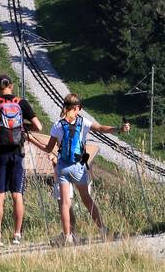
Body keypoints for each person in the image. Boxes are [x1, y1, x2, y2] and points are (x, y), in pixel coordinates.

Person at [43, 93, 130, 245]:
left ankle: (68, 236)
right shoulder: (83, 122)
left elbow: (49, 148)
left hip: (62, 167)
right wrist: (119, 129)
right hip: (78, 167)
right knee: (87, 200)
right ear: (78, 108)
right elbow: (101, 128)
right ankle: (103, 231)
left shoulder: (58, 124)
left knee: (64, 202)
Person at [0, 74, 44, 245]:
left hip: (0, 154)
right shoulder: (22, 103)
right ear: (12, 86)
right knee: (17, 194)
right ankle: (17, 235)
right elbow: (39, 126)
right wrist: (22, 126)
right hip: (18, 152)